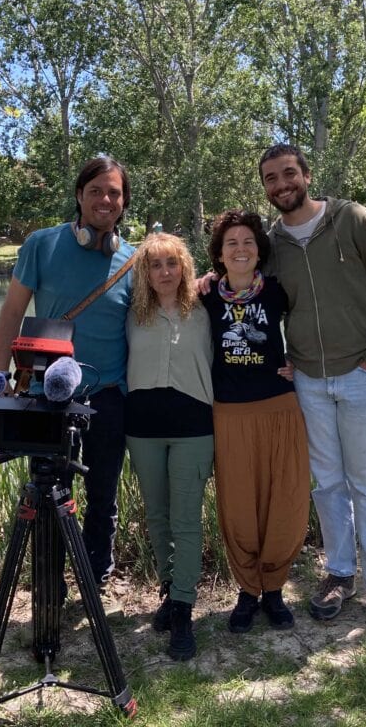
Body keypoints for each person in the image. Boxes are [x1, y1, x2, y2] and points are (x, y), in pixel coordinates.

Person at [259, 143, 366, 638]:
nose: (281, 184)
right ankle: (340, 574)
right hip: (307, 379)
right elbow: (259, 303)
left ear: (306, 175)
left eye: (288, 173)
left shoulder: (352, 220)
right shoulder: (271, 244)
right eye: (270, 178)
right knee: (326, 483)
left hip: (361, 375)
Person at [0, 156, 136, 590]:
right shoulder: (42, 244)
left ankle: (97, 581)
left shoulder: (133, 260)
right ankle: (49, 586)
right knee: (50, 494)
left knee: (103, 496)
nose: (105, 200)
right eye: (95, 191)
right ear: (79, 195)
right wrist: (1, 380)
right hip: (47, 395)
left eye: (114, 193)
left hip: (109, 395)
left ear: (124, 201)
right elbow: (11, 313)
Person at [201, 209, 311, 633]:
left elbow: (314, 324)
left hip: (278, 407)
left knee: (285, 500)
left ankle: (275, 589)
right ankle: (248, 591)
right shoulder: (206, 296)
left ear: (259, 251)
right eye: (231, 243)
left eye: (248, 241)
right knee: (238, 506)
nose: (241, 249)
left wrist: (300, 361)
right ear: (220, 254)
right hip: (230, 413)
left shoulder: (278, 291)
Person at [125, 233, 214, 660]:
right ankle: (169, 590)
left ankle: (183, 609)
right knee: (158, 518)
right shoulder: (130, 314)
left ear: (184, 267)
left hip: (193, 428)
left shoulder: (206, 308)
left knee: (186, 521)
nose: (164, 272)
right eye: (155, 264)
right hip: (142, 428)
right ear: (145, 271)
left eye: (172, 263)